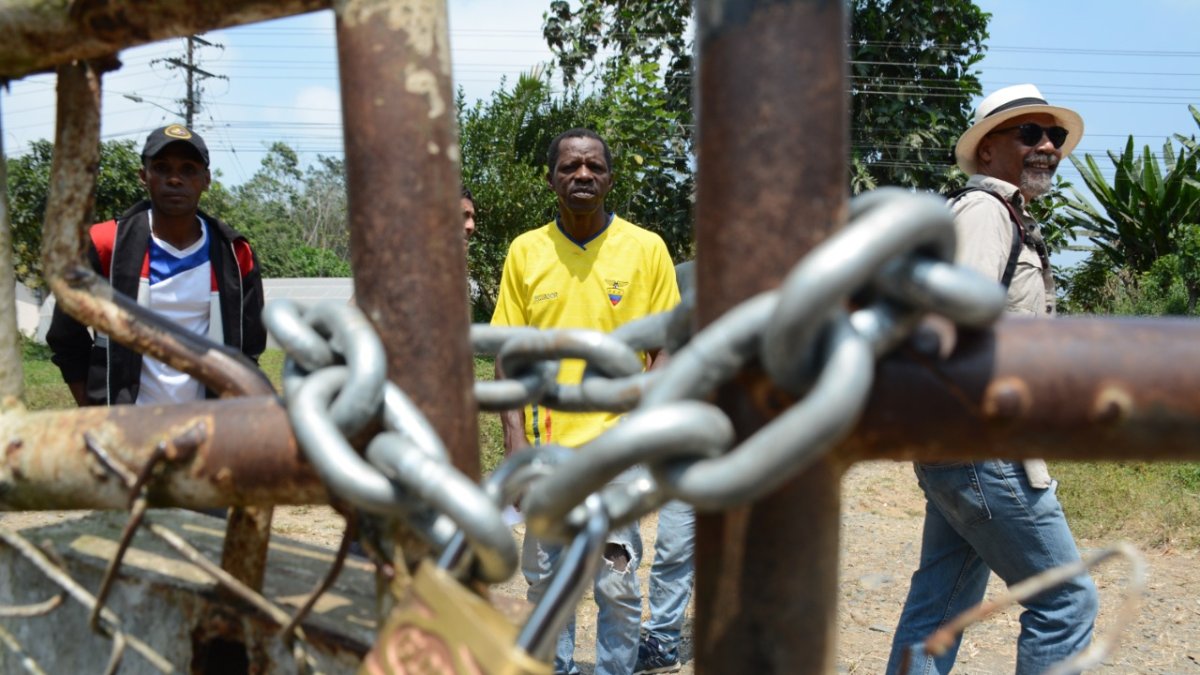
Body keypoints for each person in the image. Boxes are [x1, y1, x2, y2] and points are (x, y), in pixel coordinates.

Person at [886, 84, 1099, 674]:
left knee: (941, 607)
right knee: (1066, 599)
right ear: (986, 150)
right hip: (985, 444)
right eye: (1029, 133)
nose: (1048, 146)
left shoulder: (1007, 216)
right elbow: (955, 329)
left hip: (963, 445)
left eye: (1055, 135)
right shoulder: (983, 212)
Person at [491, 128, 680, 675]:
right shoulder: (526, 251)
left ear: (610, 179)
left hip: (617, 452)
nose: (582, 175)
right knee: (547, 583)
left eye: (594, 167)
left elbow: (668, 346)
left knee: (616, 583)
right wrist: (513, 439)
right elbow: (506, 352)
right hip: (544, 452)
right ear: (551, 178)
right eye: (570, 166)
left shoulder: (646, 248)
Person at [46, 123, 266, 406]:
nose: (174, 179)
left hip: (209, 423)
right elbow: (65, 336)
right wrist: (94, 408)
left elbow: (249, 348)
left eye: (188, 169)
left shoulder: (235, 254)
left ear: (206, 179)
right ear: (144, 176)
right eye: (162, 168)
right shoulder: (104, 244)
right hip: (129, 424)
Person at [634, 261, 696, 675]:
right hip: (684, 437)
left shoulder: (777, 283)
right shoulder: (681, 276)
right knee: (674, 543)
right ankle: (662, 641)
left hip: (750, 440)